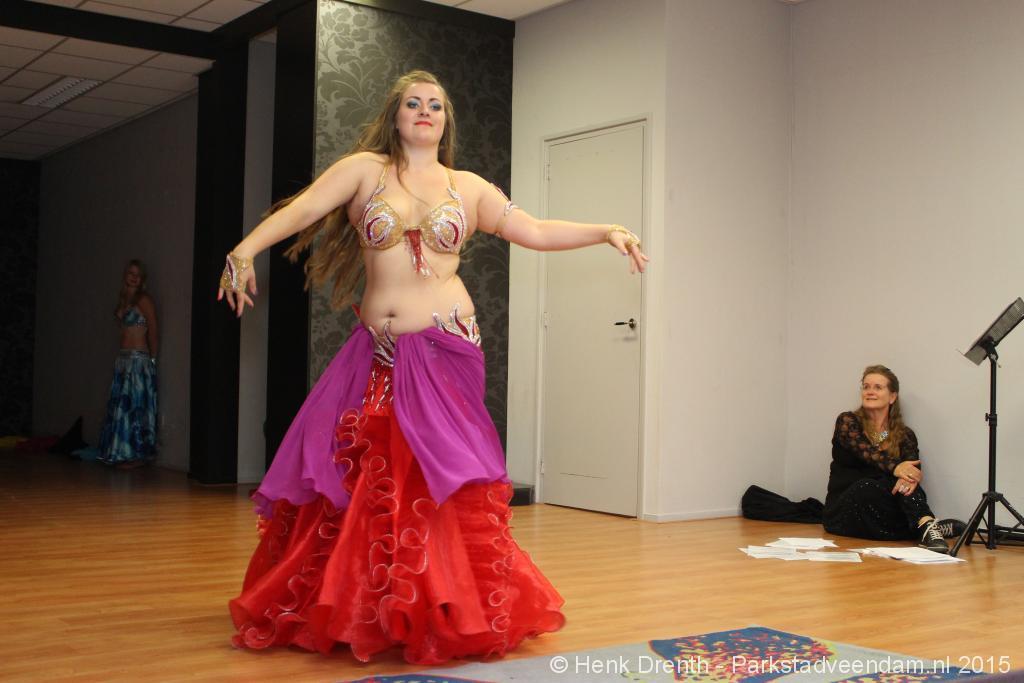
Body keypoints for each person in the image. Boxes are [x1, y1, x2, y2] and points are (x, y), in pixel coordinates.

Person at [220, 70, 648, 665]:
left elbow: (535, 230)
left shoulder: (466, 186)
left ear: (446, 121)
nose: (425, 112)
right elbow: (303, 209)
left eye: (436, 106)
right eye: (413, 104)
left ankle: (443, 606)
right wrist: (244, 250)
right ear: (395, 116)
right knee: (371, 475)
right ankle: (368, 605)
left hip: (447, 348)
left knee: (434, 479)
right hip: (381, 351)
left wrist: (606, 231)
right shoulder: (364, 171)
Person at [822, 365, 948, 553]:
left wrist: (906, 476)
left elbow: (911, 473)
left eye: (877, 387)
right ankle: (927, 527)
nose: (869, 391)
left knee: (904, 483)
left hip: (881, 510)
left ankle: (925, 524)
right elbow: (869, 454)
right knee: (868, 484)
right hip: (846, 509)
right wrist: (897, 468)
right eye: (866, 387)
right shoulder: (848, 422)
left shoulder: (905, 435)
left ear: (892, 397)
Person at [98, 259, 159, 468]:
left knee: (134, 406)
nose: (134, 277)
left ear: (142, 279)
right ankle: (120, 451)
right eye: (131, 273)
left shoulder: (144, 300)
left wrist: (153, 359)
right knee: (120, 407)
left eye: (138, 275)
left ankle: (136, 455)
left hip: (138, 360)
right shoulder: (123, 300)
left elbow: (153, 328)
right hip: (123, 359)